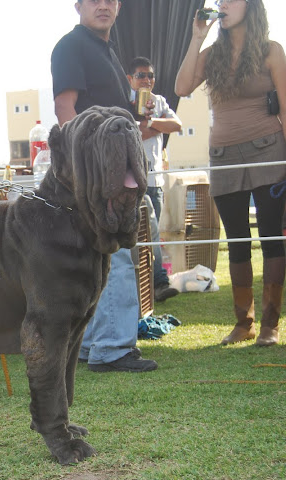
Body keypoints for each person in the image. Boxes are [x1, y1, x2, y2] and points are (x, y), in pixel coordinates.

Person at [51, 0, 157, 372]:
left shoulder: (108, 50)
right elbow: (65, 110)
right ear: (77, 6)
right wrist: (87, 170)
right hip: (97, 170)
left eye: (110, 0)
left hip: (108, 165)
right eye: (93, 0)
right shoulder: (71, 45)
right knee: (119, 248)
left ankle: (94, 343)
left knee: (101, 253)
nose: (103, 5)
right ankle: (112, 347)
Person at [176, 0, 286, 346]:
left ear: (251, 7)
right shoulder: (211, 54)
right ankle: (244, 323)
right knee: (237, 240)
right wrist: (196, 38)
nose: (222, 4)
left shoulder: (271, 51)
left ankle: (270, 324)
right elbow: (180, 88)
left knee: (271, 237)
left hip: (268, 152)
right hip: (223, 157)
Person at [126, 56, 182, 303]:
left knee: (153, 235)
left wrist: (151, 123)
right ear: (130, 79)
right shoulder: (124, 100)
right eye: (141, 75)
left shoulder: (158, 101)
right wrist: (153, 127)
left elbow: (176, 124)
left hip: (154, 180)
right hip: (129, 181)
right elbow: (132, 132)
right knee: (132, 238)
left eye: (150, 75)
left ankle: (156, 285)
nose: (147, 80)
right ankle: (150, 284)